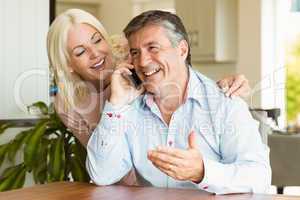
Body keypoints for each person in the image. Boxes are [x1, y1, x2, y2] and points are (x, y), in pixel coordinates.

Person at [86, 10, 271, 194]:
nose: (142, 62)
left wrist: (202, 172)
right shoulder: (128, 108)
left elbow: (258, 178)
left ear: (182, 50)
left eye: (153, 48)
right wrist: (116, 104)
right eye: (135, 52)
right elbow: (102, 174)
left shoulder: (224, 103)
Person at [47, 9, 251, 149]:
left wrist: (223, 87)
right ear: (68, 65)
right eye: (81, 51)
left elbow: (181, 81)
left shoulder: (133, 56)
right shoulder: (68, 103)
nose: (95, 54)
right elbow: (100, 153)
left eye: (97, 40)